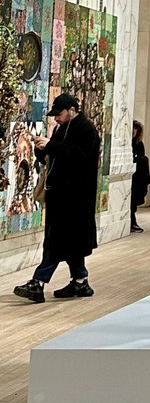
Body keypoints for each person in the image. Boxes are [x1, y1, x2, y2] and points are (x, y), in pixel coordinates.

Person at [13, 93, 100, 304]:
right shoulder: (63, 128)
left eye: (59, 114)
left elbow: (81, 157)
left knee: (55, 241)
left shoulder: (87, 130)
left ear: (71, 110)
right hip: (60, 196)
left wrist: (51, 145)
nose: (56, 119)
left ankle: (38, 282)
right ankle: (80, 281)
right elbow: (55, 157)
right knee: (71, 243)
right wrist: (41, 148)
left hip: (75, 199)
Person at [130, 119, 150, 232]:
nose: (133, 131)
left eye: (135, 129)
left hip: (137, 176)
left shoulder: (138, 144)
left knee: (133, 200)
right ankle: (131, 222)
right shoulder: (129, 143)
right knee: (131, 201)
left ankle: (132, 222)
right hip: (133, 176)